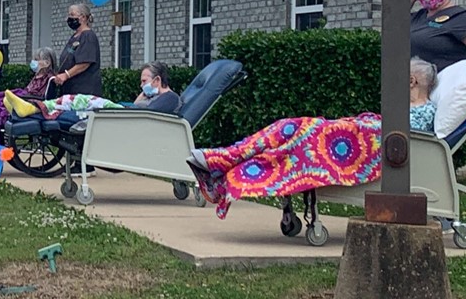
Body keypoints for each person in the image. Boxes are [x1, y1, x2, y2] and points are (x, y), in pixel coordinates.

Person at [188, 58, 439, 219]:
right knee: (287, 130)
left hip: (344, 142)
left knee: (291, 141)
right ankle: (220, 160)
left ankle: (219, 166)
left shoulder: (422, 112)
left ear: (411, 80)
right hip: (338, 135)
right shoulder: (403, 109)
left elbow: (396, 139)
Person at [53, 3, 102, 96]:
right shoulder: (75, 36)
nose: (69, 18)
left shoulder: (88, 36)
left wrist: (66, 75)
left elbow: (84, 63)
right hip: (69, 89)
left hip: (83, 90)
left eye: (72, 15)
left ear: (83, 17)